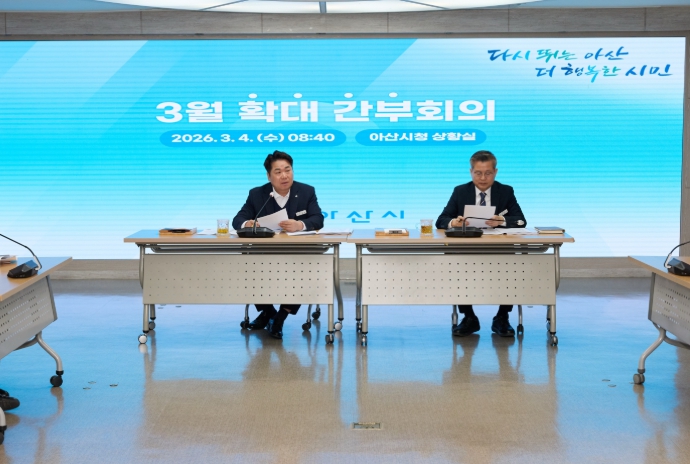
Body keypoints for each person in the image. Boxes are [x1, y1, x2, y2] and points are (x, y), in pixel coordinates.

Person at [232, 150, 324, 340]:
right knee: (248, 264)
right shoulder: (257, 194)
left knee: (303, 271)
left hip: (297, 254)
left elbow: (318, 219)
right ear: (269, 176)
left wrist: (300, 224)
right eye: (278, 172)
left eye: (288, 170)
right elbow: (238, 219)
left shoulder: (306, 191)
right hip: (265, 253)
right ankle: (268, 312)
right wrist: (248, 223)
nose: (284, 176)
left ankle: (280, 317)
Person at [436, 150, 527, 337]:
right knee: (456, 267)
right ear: (471, 172)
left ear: (495, 172)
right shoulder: (461, 191)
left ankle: (502, 317)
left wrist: (502, 221)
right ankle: (469, 317)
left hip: (499, 249)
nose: (483, 178)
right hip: (467, 249)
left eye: (488, 173)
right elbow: (441, 220)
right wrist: (454, 222)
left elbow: (520, 221)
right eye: (478, 173)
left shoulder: (506, 191)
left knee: (512, 268)